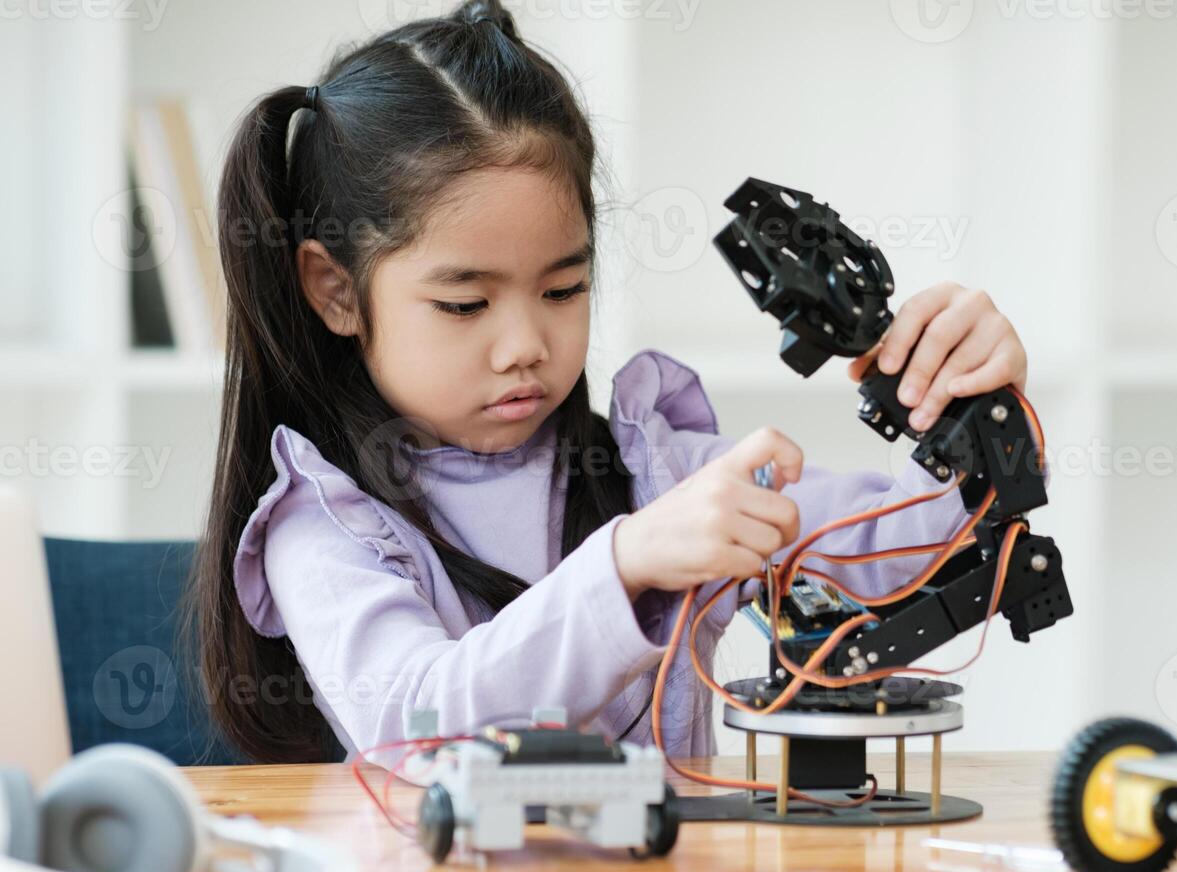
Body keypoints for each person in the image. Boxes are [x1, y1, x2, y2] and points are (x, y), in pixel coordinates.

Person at [188, 0, 1030, 763]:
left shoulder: (657, 469)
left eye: (563, 290)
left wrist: (972, 408)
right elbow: (415, 724)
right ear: (336, 291)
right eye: (465, 302)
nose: (524, 344)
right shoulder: (329, 528)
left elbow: (923, 552)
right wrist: (623, 564)